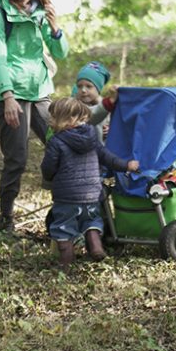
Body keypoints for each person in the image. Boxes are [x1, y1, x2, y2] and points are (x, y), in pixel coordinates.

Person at [0, 0, 70, 233]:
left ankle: (66, 209)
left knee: (62, 144)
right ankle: (6, 218)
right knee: (17, 158)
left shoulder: (39, 12)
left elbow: (60, 53)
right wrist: (7, 97)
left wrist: (55, 28)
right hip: (10, 93)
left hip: (40, 90)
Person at [40, 98, 139, 266]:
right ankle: (95, 246)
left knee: (64, 227)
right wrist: (127, 165)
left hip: (67, 197)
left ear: (68, 120)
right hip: (92, 193)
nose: (50, 121)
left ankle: (66, 264)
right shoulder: (92, 137)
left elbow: (48, 168)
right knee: (91, 220)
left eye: (53, 117)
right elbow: (108, 158)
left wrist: (48, 176)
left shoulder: (56, 142)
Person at [73, 61, 116, 142]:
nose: (83, 90)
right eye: (79, 86)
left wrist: (111, 130)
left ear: (98, 88)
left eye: (89, 86)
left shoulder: (107, 107)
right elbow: (89, 117)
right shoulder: (74, 106)